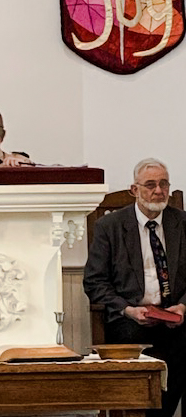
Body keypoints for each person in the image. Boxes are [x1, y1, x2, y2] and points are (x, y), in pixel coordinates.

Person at [83, 158, 186, 417]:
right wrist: (128, 310)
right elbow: (94, 281)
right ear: (134, 189)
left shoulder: (182, 223)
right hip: (130, 320)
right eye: (150, 185)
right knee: (130, 349)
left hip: (175, 317)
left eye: (163, 184)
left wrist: (183, 306)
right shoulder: (111, 226)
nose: (158, 191)